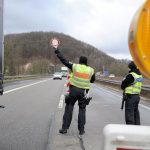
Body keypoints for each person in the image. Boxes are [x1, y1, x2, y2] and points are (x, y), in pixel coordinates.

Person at [51, 38, 95, 135]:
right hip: (83, 92)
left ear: (80, 61)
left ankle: (65, 128)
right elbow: (92, 80)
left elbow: (64, 60)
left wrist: (56, 50)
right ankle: (81, 130)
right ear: (86, 62)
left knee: (69, 108)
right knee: (82, 110)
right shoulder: (91, 70)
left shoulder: (75, 66)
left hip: (73, 90)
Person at [121, 61, 143, 125]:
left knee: (129, 113)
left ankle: (130, 129)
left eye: (129, 67)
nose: (128, 69)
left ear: (131, 67)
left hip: (130, 96)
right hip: (137, 96)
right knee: (135, 113)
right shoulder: (139, 75)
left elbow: (123, 85)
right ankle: (137, 127)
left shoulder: (131, 75)